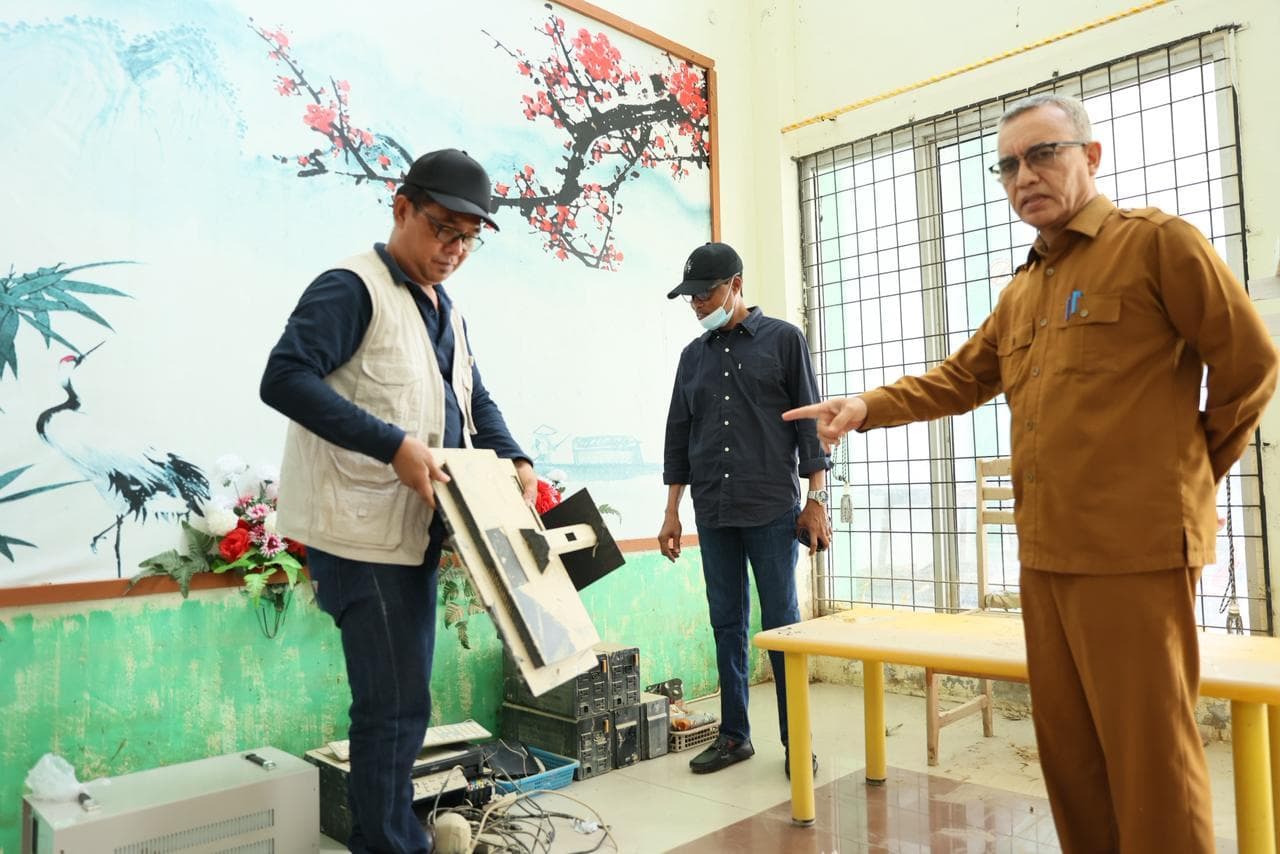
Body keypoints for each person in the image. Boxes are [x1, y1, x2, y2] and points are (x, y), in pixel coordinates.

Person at [783, 93, 1277, 852]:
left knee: (1152, 762)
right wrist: (867, 406)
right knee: (1072, 760)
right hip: (1046, 557)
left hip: (1135, 553)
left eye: (1043, 154)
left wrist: (1190, 476)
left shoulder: (1156, 245)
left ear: (1091, 156)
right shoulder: (1024, 290)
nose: (1024, 176)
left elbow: (1250, 364)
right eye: (1008, 166)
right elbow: (960, 379)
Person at [261, 148, 536, 854]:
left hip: (409, 536)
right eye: (443, 229)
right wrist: (393, 446)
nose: (454, 250)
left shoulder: (447, 310)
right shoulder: (352, 289)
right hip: (360, 538)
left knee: (401, 703)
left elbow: (472, 399)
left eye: (469, 239)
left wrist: (514, 456)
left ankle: (388, 837)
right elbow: (285, 378)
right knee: (392, 708)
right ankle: (390, 844)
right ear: (401, 207)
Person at [660, 241, 832, 777]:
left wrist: (816, 499)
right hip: (714, 510)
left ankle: (796, 741)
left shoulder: (784, 341)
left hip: (772, 510)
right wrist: (672, 511)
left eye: (704, 294)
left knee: (782, 627)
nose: (696, 305)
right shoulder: (692, 358)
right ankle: (734, 737)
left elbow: (810, 424)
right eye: (690, 298)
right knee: (726, 625)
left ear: (736, 285)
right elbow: (678, 437)